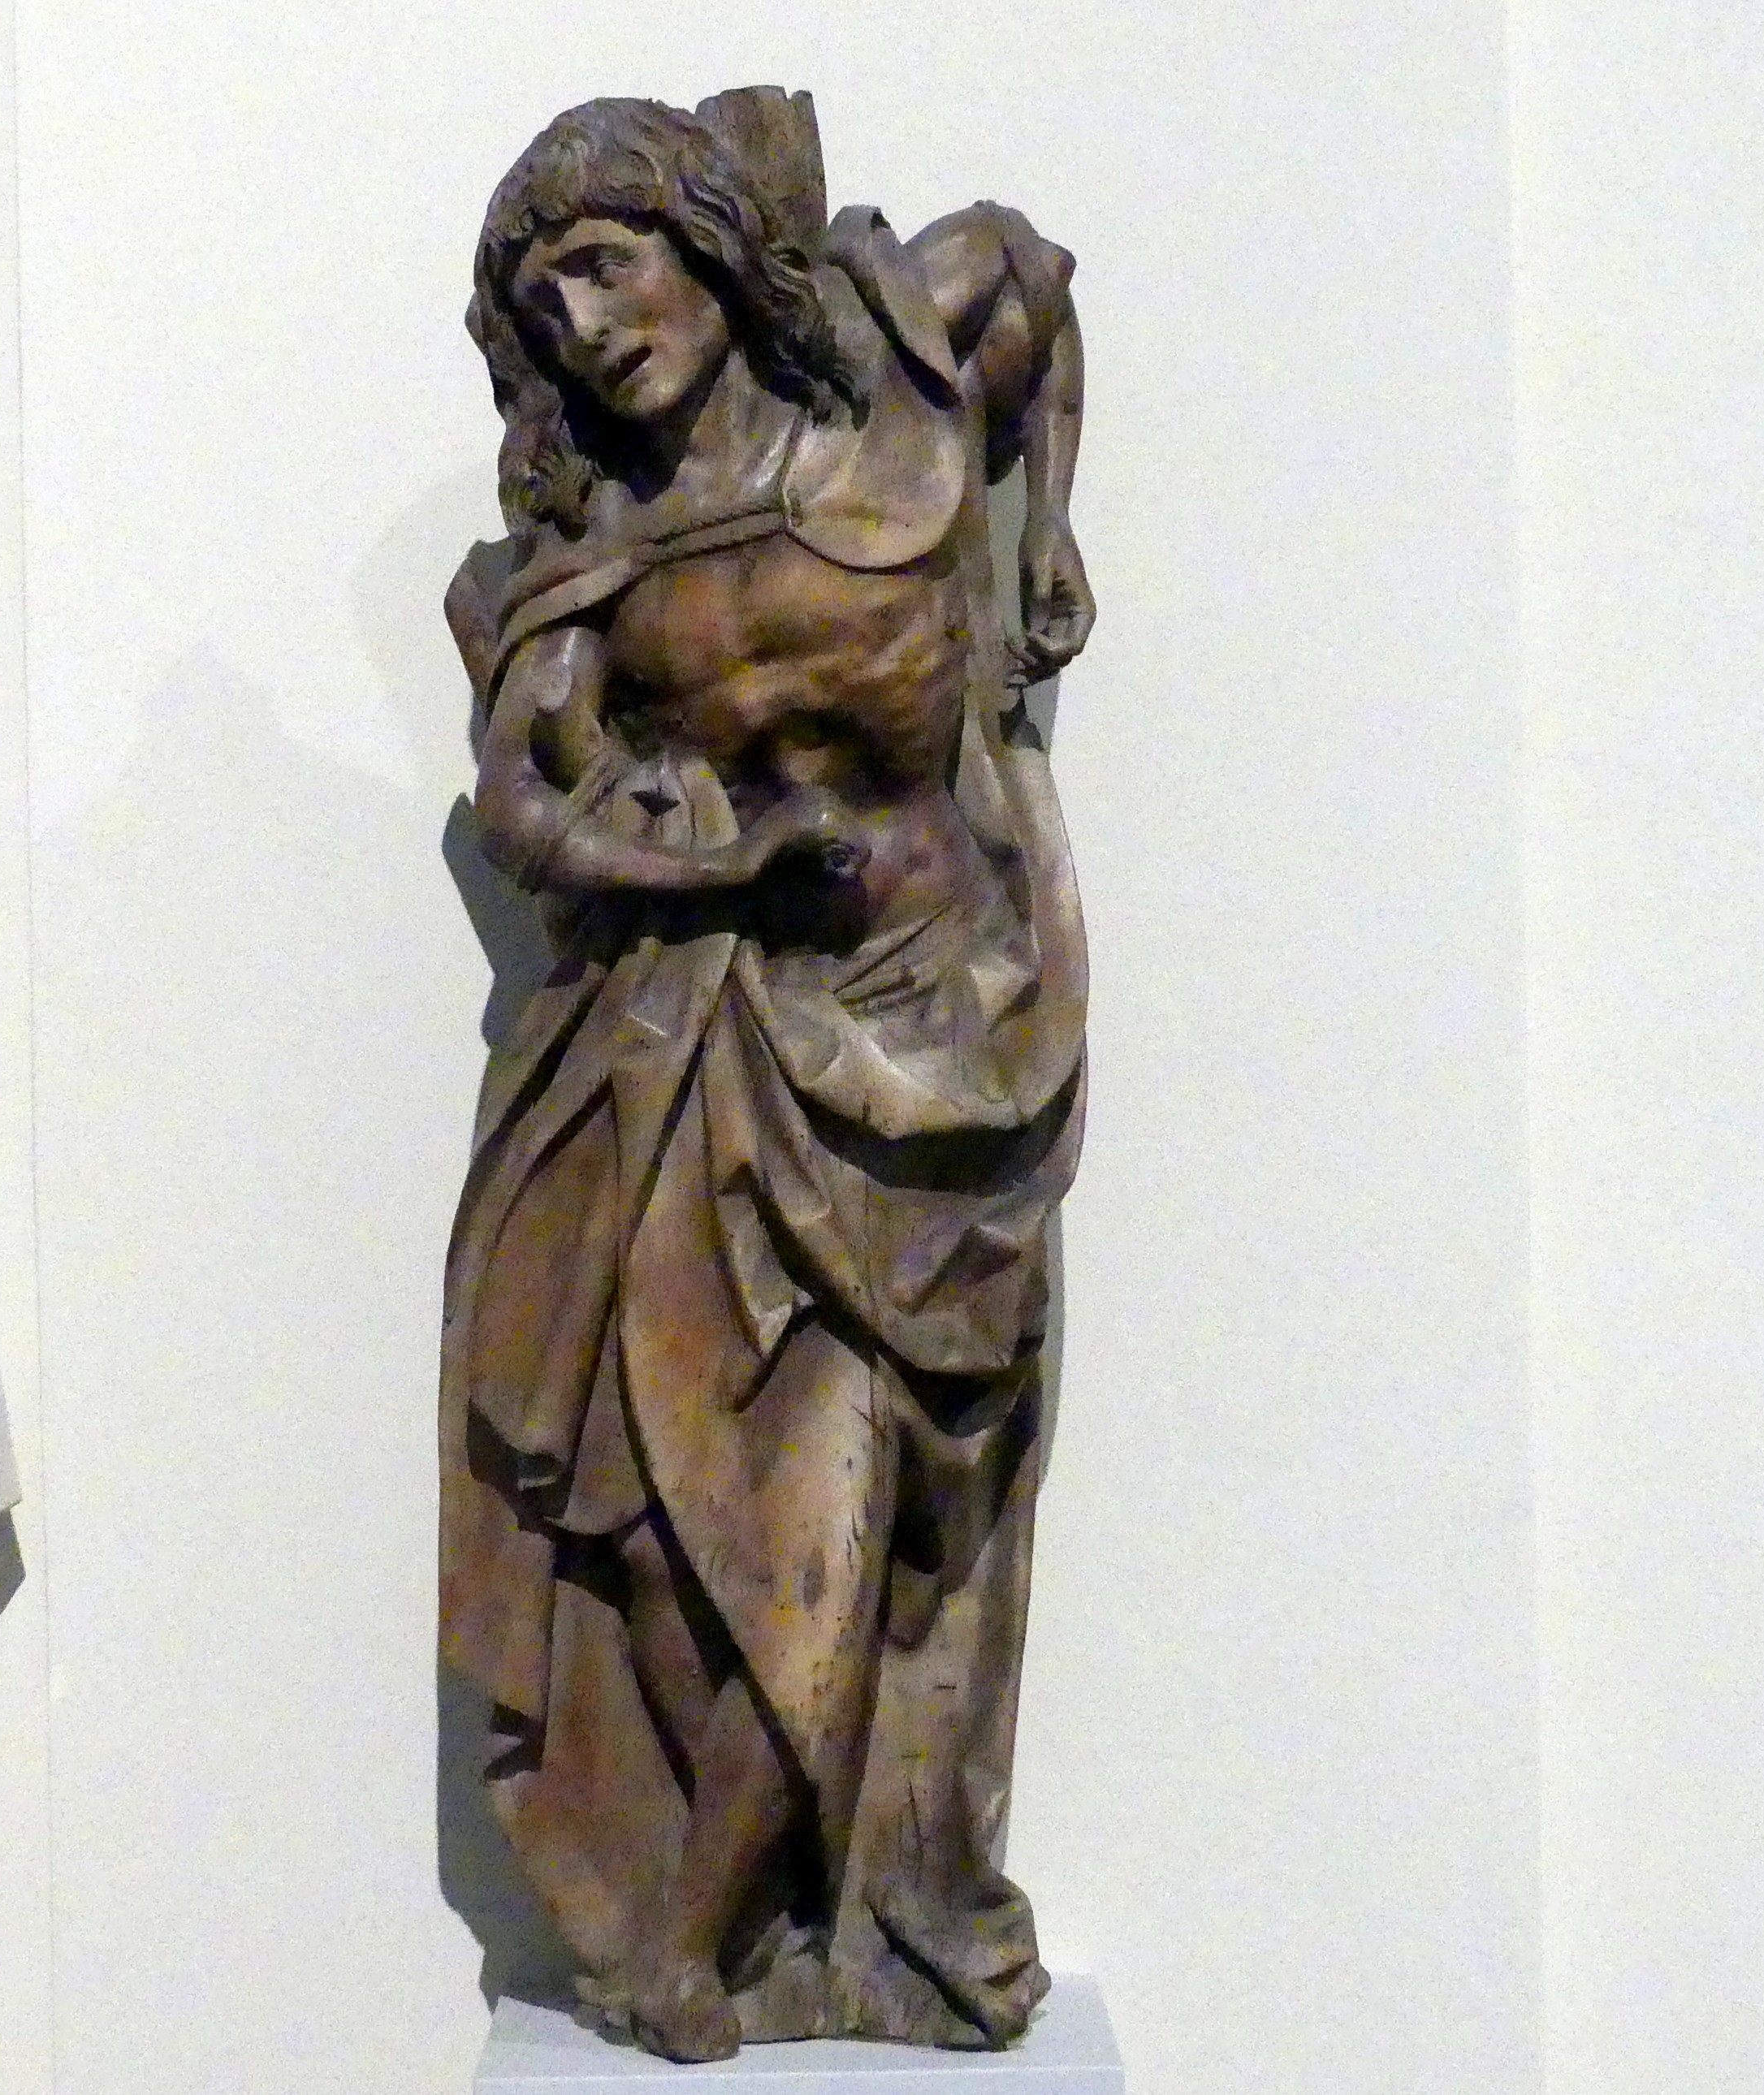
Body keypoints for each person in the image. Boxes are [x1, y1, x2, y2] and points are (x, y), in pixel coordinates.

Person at [439, 88, 1094, 2061]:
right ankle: (702, 1921)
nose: (582, 325)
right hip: (698, 1053)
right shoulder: (586, 563)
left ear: (710, 249)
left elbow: (1038, 281)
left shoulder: (903, 380)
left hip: (945, 1029)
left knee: (883, 1501)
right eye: (544, 304)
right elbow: (527, 819)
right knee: (690, 1515)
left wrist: (1048, 543)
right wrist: (712, 868)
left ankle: (767, 1922)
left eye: (604, 265)